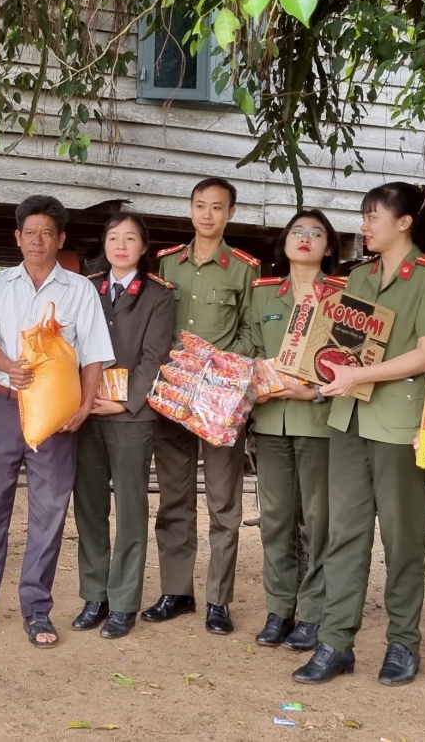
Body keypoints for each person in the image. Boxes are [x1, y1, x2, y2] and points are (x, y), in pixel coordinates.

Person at [293, 182, 425, 686]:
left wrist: (357, 377)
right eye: (363, 217)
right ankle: (335, 643)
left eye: (373, 216)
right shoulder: (359, 276)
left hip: (401, 423)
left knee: (403, 538)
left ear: (404, 222)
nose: (363, 225)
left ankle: (403, 644)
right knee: (345, 535)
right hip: (349, 418)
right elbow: (343, 345)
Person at [0, 195, 115, 648]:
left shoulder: (79, 290)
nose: (38, 240)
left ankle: (37, 609)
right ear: (17, 238)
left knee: (48, 511)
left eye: (48, 233)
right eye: (30, 232)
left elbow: (95, 355)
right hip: (6, 405)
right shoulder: (0, 285)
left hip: (59, 415)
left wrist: (84, 405)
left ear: (60, 239)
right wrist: (9, 363)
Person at [150, 177, 258, 634]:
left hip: (217, 402)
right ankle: (176, 591)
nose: (207, 214)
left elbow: (253, 333)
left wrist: (222, 375)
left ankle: (218, 600)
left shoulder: (244, 268)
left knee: (223, 503)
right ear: (190, 209)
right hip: (173, 397)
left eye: (217, 207)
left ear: (230, 213)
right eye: (200, 205)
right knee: (173, 498)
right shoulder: (165, 263)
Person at [71, 212, 174, 640]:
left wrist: (124, 402)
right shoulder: (86, 287)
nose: (121, 245)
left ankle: (124, 599)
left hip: (131, 415)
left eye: (130, 238)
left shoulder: (158, 295)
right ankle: (95, 594)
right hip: (84, 408)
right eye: (114, 237)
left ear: (143, 247)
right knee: (89, 504)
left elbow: (154, 357)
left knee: (131, 507)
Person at [247, 210, 344, 651]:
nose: (305, 238)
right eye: (297, 232)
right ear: (284, 242)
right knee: (276, 520)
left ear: (329, 246)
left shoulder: (345, 296)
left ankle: (313, 613)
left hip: (322, 423)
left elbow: (354, 362)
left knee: (319, 522)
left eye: (316, 233)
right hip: (270, 422)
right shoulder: (263, 294)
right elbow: (245, 352)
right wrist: (257, 387)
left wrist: (318, 393)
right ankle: (279, 609)